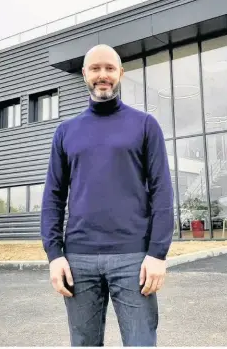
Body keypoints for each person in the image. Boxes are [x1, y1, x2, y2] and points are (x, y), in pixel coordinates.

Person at [40, 44, 175, 347]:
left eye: (110, 68)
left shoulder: (144, 125)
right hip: (78, 259)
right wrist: (54, 255)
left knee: (141, 342)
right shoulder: (65, 132)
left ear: (120, 74)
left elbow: (162, 191)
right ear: (85, 73)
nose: (103, 75)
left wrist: (157, 254)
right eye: (96, 68)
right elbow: (53, 196)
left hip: (134, 258)